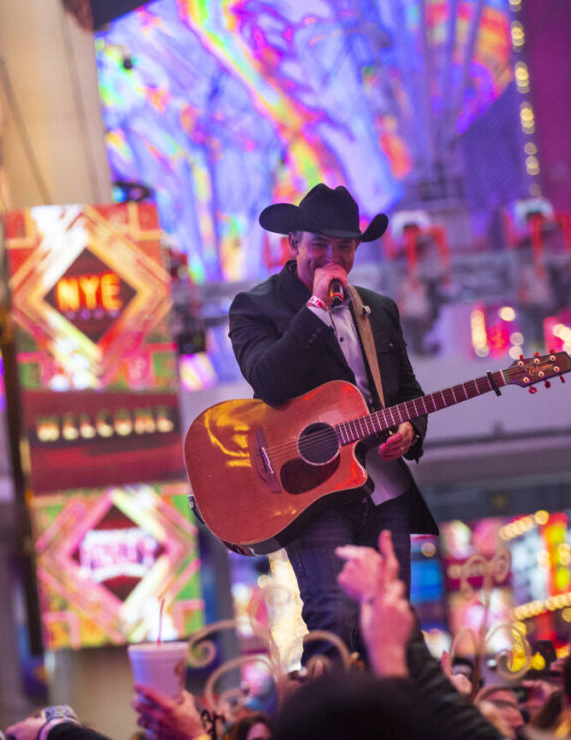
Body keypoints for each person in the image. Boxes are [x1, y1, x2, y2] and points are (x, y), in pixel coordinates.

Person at [228, 183, 438, 661]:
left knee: (394, 621)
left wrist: (410, 431)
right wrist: (317, 309)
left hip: (383, 486)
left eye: (344, 246)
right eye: (319, 244)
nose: (331, 257)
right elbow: (268, 380)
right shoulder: (255, 307)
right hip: (311, 490)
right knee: (333, 617)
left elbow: (408, 394)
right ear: (294, 243)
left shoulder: (379, 309)